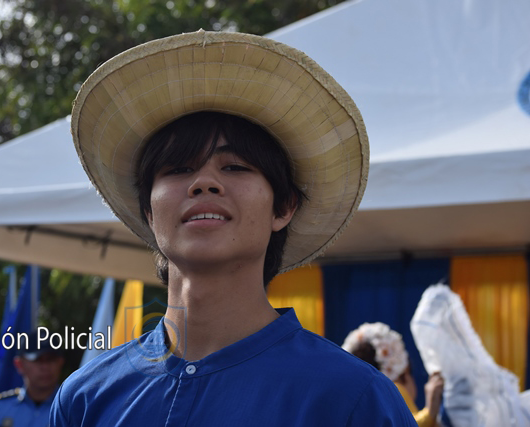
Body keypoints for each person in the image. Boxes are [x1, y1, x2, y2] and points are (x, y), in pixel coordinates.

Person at [51, 30, 417, 426]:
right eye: (179, 168)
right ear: (149, 212)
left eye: (235, 167)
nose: (204, 183)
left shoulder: (353, 399)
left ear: (284, 207)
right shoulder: (85, 399)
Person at [342, 322, 445, 427]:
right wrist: (429, 413)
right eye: (410, 372)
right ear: (403, 373)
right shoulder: (395, 389)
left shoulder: (351, 401)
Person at [0, 333, 64, 427]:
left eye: (50, 359)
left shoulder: (70, 407)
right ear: (19, 364)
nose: (45, 367)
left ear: (60, 362)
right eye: (37, 360)